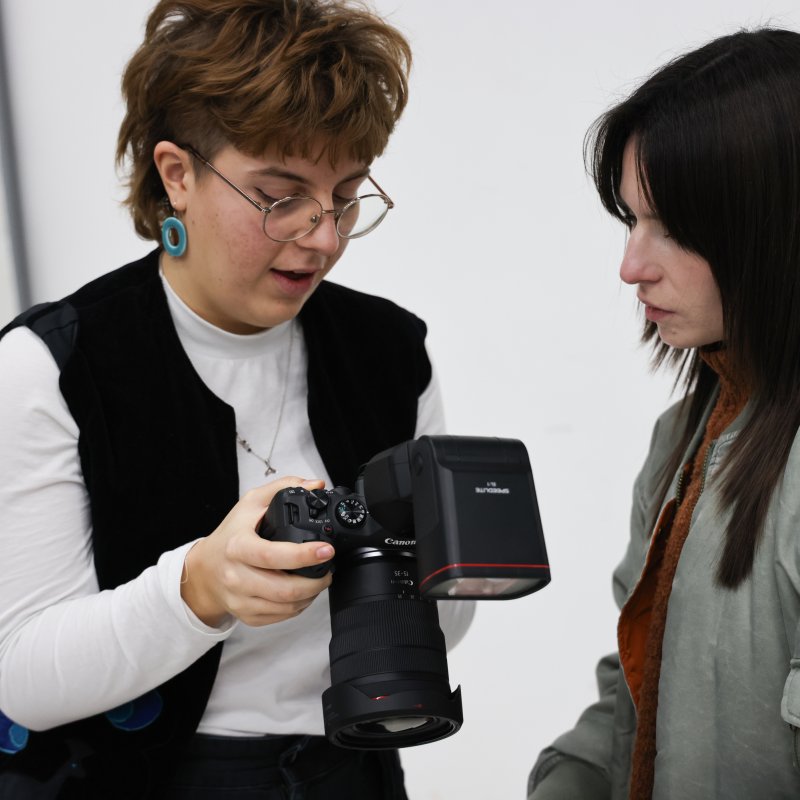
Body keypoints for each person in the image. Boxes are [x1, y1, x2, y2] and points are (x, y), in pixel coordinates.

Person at [0, 1, 474, 797]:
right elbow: (22, 675)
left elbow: (439, 627)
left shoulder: (391, 353)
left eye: (347, 195)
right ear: (176, 173)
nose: (322, 236)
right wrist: (199, 588)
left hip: (351, 766)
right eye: (279, 195)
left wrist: (445, 568)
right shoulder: (53, 365)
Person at [528, 27, 800, 800]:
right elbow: (637, 688)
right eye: (631, 220)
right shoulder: (685, 435)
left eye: (673, 228)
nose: (631, 266)